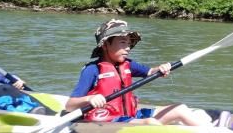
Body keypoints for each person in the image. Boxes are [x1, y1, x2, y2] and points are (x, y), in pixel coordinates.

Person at [65, 19, 218, 126]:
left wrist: (162, 68)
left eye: (129, 43)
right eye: (123, 42)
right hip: (107, 120)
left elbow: (151, 71)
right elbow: (70, 105)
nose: (128, 48)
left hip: (129, 116)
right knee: (151, 123)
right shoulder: (93, 70)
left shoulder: (128, 65)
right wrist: (90, 99)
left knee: (180, 109)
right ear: (105, 45)